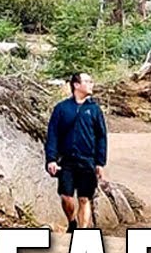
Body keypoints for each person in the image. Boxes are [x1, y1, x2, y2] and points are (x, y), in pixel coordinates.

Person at [44, 72, 108, 232]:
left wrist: (100, 162)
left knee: (84, 198)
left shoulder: (94, 110)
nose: (91, 84)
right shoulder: (62, 108)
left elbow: (101, 137)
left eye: (91, 81)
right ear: (76, 85)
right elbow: (52, 134)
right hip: (66, 160)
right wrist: (51, 159)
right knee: (66, 196)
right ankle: (72, 221)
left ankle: (82, 231)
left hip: (87, 161)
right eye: (87, 81)